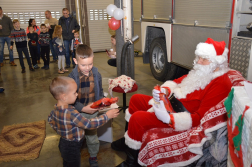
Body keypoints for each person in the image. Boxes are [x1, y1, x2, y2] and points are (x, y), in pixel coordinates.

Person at [113, 38, 233, 167]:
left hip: (180, 117)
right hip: (170, 103)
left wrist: (169, 118)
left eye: (203, 59)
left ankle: (132, 162)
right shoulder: (203, 71)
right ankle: (129, 141)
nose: (198, 61)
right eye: (198, 57)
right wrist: (164, 90)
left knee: (138, 118)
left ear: (216, 63)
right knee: (136, 99)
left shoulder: (220, 83)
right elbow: (178, 80)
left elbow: (200, 118)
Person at [48, 76, 120, 167]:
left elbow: (50, 121)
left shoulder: (55, 110)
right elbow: (89, 124)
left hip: (63, 143)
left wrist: (62, 131)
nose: (77, 94)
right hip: (73, 146)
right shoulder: (72, 113)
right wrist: (106, 116)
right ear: (64, 97)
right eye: (74, 93)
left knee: (67, 162)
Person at [68, 44, 105, 167]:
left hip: (93, 111)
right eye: (83, 65)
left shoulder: (96, 74)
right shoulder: (71, 78)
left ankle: (93, 156)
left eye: (90, 64)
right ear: (75, 61)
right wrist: (83, 108)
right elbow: (69, 99)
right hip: (77, 112)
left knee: (92, 136)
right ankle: (74, 156)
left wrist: (101, 103)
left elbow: (100, 90)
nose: (87, 68)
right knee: (76, 137)